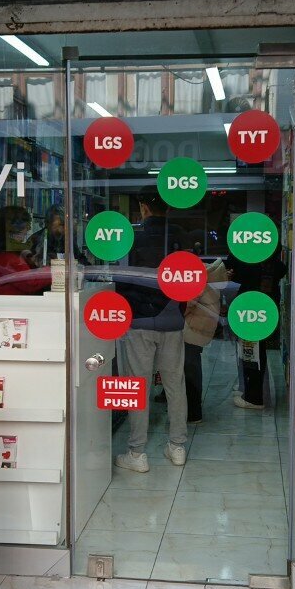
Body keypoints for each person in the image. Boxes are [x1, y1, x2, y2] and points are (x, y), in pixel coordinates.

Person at [114, 192, 188, 472]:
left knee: (138, 386)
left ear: (143, 208)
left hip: (140, 320)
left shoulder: (132, 238)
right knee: (174, 384)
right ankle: (177, 447)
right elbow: (188, 278)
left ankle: (137, 453)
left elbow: (122, 280)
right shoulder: (179, 235)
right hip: (172, 319)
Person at [227, 251, 287, 410]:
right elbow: (281, 270)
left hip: (252, 309)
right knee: (254, 351)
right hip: (263, 310)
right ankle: (251, 391)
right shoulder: (271, 262)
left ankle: (254, 397)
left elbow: (237, 272)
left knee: (253, 352)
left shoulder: (252, 262)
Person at [182, 259, 227, 424]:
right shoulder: (210, 277)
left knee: (189, 370)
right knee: (192, 368)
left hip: (192, 330)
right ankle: (193, 407)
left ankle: (193, 412)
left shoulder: (199, 280)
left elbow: (186, 304)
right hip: (201, 329)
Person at [0, 206, 51, 295]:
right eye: (26, 226)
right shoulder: (6, 256)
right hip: (7, 300)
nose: (28, 229)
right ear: (15, 229)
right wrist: (53, 272)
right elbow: (30, 283)